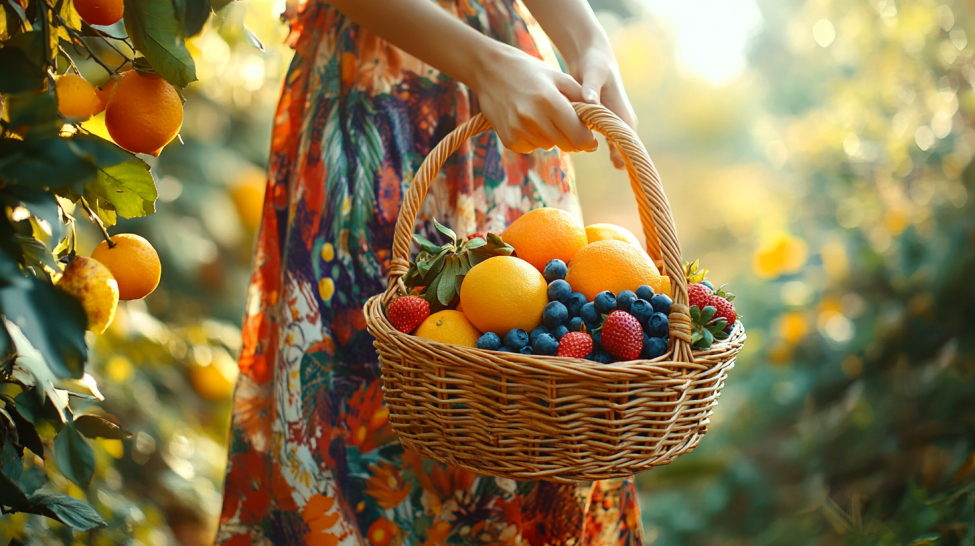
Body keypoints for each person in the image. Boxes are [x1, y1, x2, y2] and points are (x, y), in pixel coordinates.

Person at [216, 0, 642, 544]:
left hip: (515, 85)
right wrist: (484, 64)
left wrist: (588, 39)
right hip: (384, 83)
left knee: (530, 381)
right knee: (365, 393)